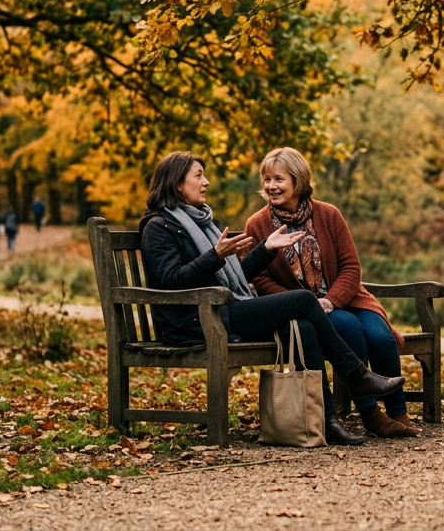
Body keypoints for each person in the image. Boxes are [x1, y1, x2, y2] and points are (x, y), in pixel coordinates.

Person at [139, 151, 403, 446]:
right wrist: (215, 256)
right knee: (303, 300)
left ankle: (325, 421)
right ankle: (357, 375)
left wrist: (266, 248)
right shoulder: (158, 227)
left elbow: (236, 276)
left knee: (304, 326)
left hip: (222, 309)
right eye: (198, 176)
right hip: (194, 321)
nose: (206, 182)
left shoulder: (202, 222)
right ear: (177, 184)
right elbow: (172, 281)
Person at [245, 147, 419, 438]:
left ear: (298, 180)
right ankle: (371, 414)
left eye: (278, 179)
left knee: (381, 336)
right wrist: (304, 303)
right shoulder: (257, 224)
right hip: (303, 310)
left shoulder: (329, 215)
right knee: (348, 328)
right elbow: (261, 279)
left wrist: (331, 299)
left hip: (346, 297)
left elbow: (351, 267)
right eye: (266, 179)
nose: (271, 186)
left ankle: (398, 413)